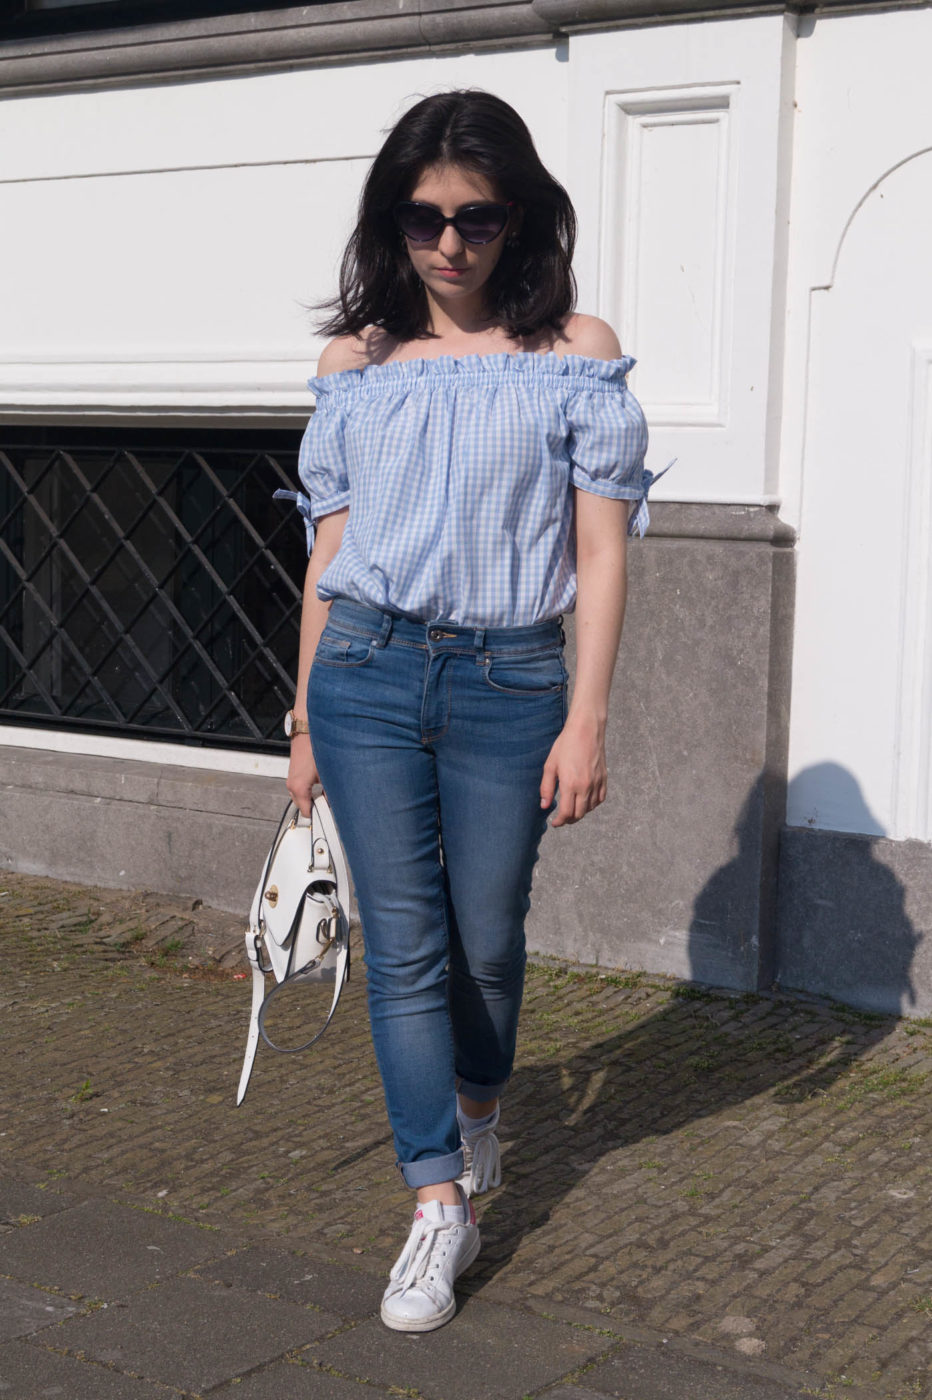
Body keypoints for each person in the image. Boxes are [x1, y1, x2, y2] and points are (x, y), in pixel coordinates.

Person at [281, 89, 657, 1333]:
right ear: (393, 223)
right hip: (367, 675)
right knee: (403, 949)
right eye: (424, 216)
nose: (449, 241)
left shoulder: (573, 354)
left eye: (476, 216)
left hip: (510, 683)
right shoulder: (356, 367)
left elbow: (598, 554)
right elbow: (328, 553)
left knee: (486, 940)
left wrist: (587, 716)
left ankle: (481, 1109)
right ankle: (436, 1203)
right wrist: (299, 723)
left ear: (518, 219)